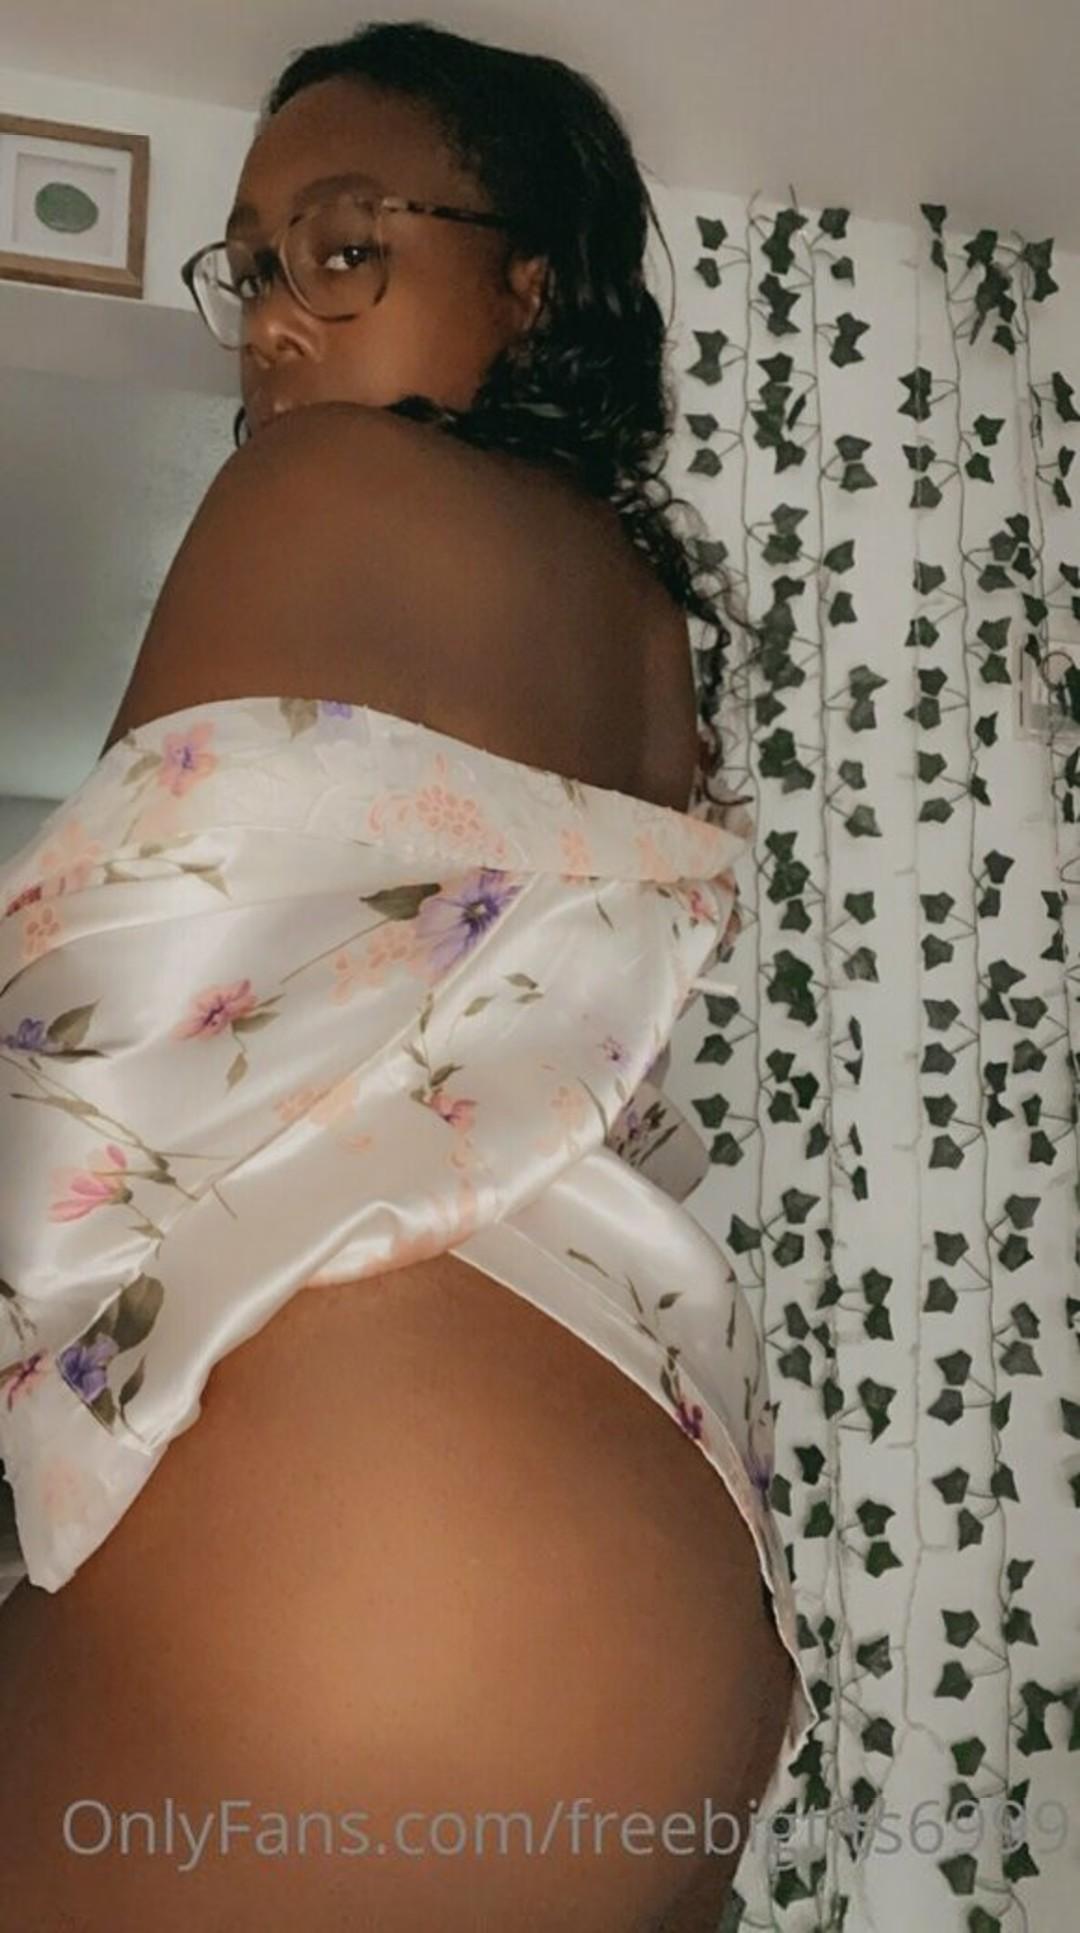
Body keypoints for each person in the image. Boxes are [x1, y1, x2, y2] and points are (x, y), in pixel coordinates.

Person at [0, 21, 812, 1929]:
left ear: (531, 284)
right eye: (251, 266)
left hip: (365, 1573)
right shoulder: (648, 636)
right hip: (679, 1616)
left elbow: (85, 1047)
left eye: (344, 244)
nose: (276, 319)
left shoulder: (319, 492)